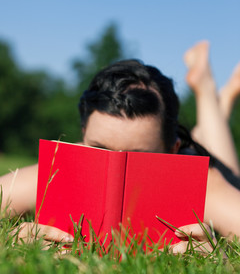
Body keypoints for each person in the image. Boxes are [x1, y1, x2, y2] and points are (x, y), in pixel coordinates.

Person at [0, 42, 239, 252]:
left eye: (138, 157)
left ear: (172, 151)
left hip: (213, 167)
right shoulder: (61, 169)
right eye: (98, 148)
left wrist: (218, 255)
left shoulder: (206, 184)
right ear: (83, 135)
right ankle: (219, 98)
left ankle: (207, 90)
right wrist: (12, 240)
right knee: (206, 136)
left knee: (229, 169)